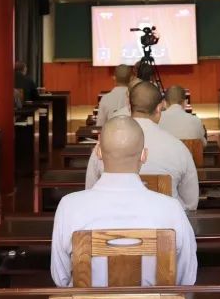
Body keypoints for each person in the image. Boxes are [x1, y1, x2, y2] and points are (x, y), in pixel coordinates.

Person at [51, 116, 197, 287]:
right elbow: (187, 278)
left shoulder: (69, 207)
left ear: (98, 152)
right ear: (144, 155)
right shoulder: (172, 208)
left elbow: (61, 278)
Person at [86, 82, 199, 210]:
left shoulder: (104, 145)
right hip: (164, 219)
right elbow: (191, 204)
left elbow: (90, 192)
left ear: (129, 107)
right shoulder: (179, 148)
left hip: (109, 220)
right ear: (159, 108)